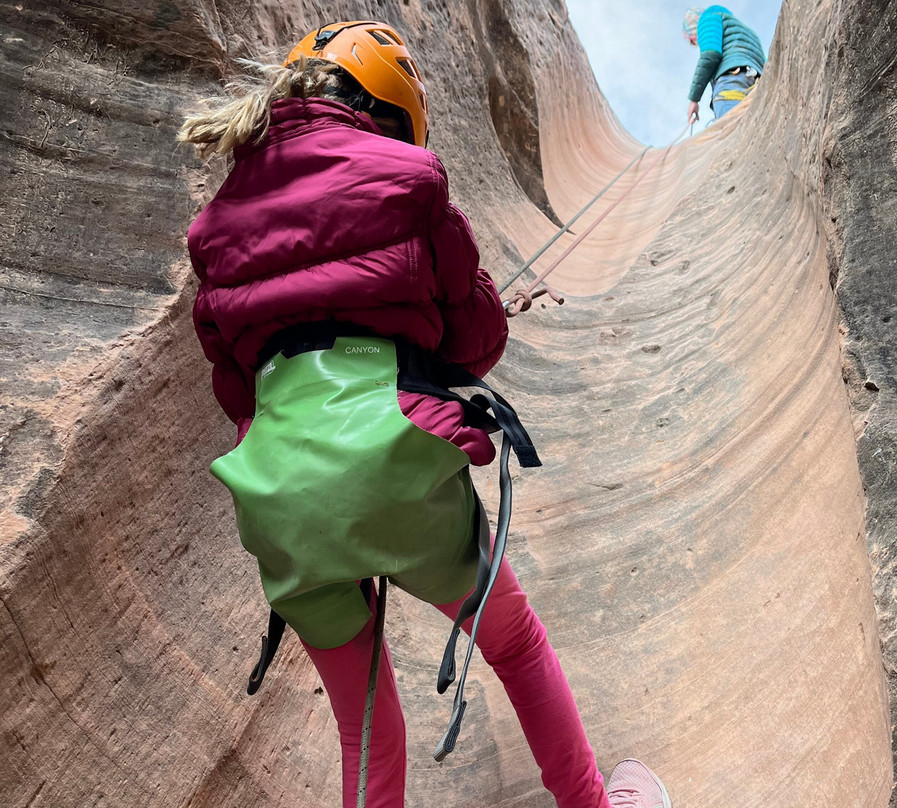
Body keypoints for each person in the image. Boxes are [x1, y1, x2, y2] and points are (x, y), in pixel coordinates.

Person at [177, 20, 672, 808]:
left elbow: (236, 390)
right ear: (390, 107)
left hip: (277, 496)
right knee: (513, 643)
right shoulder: (409, 176)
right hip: (391, 459)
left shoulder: (215, 225)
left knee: (364, 727)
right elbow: (475, 337)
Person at [683, 6, 766, 123]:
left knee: (730, 131)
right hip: (758, 83)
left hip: (731, 81)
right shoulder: (749, 33)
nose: (697, 44)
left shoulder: (708, 19)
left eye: (694, 41)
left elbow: (710, 55)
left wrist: (694, 99)